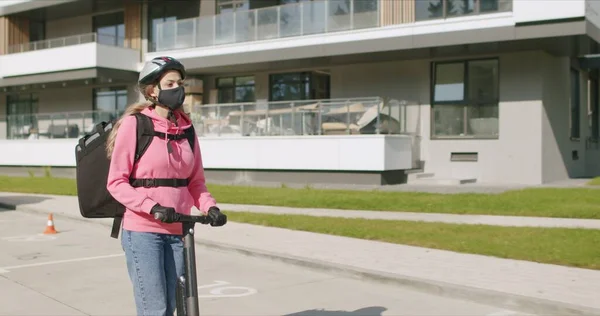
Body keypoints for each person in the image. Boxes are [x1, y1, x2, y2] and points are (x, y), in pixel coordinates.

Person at [105, 56, 227, 316]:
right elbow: (116, 182)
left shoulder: (187, 129)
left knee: (175, 307)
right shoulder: (135, 125)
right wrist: (152, 206)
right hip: (143, 231)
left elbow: (195, 182)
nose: (178, 89)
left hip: (178, 230)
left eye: (180, 83)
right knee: (156, 309)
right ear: (152, 90)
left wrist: (210, 206)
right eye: (170, 83)